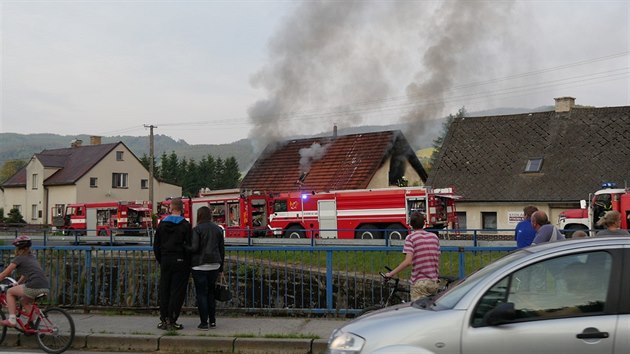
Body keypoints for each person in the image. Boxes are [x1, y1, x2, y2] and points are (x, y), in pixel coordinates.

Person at [153, 197, 192, 331]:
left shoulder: (162, 224)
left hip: (165, 260)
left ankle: (163, 319)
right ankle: (172, 319)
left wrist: (161, 259)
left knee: (165, 289)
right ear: (182, 209)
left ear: (170, 208)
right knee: (177, 291)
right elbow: (189, 245)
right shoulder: (185, 225)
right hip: (180, 260)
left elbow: (156, 245)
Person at [184, 206, 225, 330]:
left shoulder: (197, 229)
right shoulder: (218, 229)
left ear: (199, 215)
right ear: (210, 216)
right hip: (215, 264)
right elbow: (222, 250)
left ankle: (203, 323)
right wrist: (221, 268)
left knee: (202, 294)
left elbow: (195, 248)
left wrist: (185, 246)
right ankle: (213, 321)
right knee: (211, 293)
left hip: (199, 265)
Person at [385, 212, 440, 301]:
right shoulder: (434, 237)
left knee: (417, 312)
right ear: (424, 222)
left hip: (420, 283)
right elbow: (437, 258)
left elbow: (408, 262)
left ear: (411, 224)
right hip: (433, 282)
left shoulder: (411, 238)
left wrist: (391, 274)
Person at [0, 235, 50, 328]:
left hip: (34, 285)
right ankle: (32, 324)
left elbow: (4, 274)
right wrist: (18, 283)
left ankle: (12, 320)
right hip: (45, 285)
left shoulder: (19, 258)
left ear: (18, 248)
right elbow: (26, 274)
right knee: (24, 301)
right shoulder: (31, 257)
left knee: (10, 292)